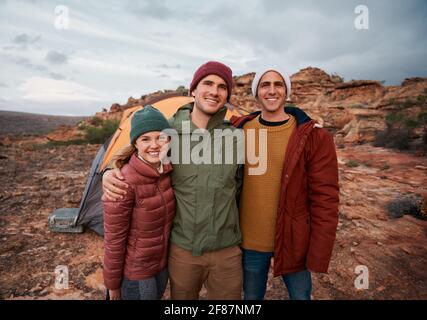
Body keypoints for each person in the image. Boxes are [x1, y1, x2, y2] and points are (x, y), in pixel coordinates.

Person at [102, 61, 243, 300]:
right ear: (193, 90)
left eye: (222, 86)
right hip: (183, 251)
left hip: (227, 251)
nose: (214, 91)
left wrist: (300, 118)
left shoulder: (236, 137)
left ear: (227, 94)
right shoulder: (169, 134)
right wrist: (108, 170)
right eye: (207, 83)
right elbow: (139, 152)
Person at [230, 67, 339, 300]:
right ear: (256, 93)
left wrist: (318, 249)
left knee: (301, 296)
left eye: (278, 84)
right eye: (264, 85)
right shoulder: (239, 131)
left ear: (286, 91)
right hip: (250, 240)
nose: (271, 90)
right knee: (251, 298)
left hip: (293, 239)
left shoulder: (312, 136)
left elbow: (325, 197)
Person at [103, 106, 176, 300]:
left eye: (160, 137)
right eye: (145, 139)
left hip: (161, 266)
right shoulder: (122, 182)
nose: (155, 145)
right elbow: (114, 240)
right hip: (137, 273)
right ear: (135, 142)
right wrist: (112, 286)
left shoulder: (168, 170)